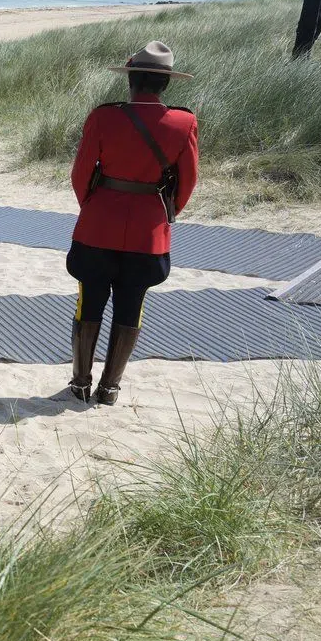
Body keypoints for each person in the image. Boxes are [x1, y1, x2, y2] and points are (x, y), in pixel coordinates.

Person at [67, 41, 199, 405]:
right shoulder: (183, 122)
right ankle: (109, 389)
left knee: (88, 302)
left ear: (131, 79)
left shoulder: (103, 117)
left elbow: (80, 175)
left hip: (98, 225)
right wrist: (165, 214)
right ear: (165, 84)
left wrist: (93, 207)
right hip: (147, 232)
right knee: (131, 306)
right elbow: (186, 183)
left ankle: (80, 384)